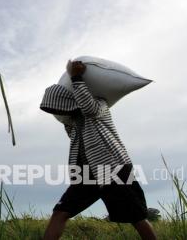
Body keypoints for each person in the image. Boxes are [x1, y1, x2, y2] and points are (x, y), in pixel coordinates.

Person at [40, 60, 157, 240]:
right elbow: (71, 128)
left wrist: (76, 77)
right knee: (60, 213)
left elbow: (90, 109)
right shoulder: (73, 123)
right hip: (85, 176)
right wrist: (66, 119)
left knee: (137, 217)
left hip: (112, 169)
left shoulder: (100, 105)